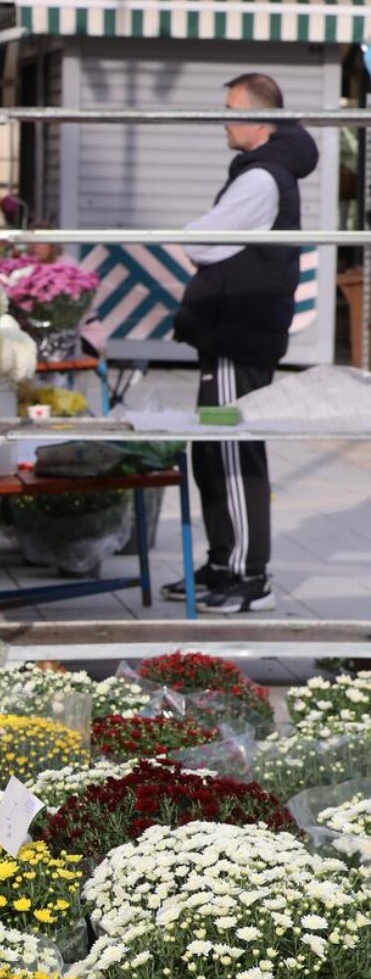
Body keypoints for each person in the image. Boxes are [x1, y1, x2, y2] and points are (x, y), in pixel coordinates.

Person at [166, 71, 318, 615]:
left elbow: (202, 242)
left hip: (240, 330)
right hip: (233, 328)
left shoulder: (262, 177)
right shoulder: (260, 170)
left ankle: (249, 576)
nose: (223, 120)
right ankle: (222, 560)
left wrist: (194, 237)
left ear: (258, 118)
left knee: (232, 448)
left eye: (231, 109)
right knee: (212, 448)